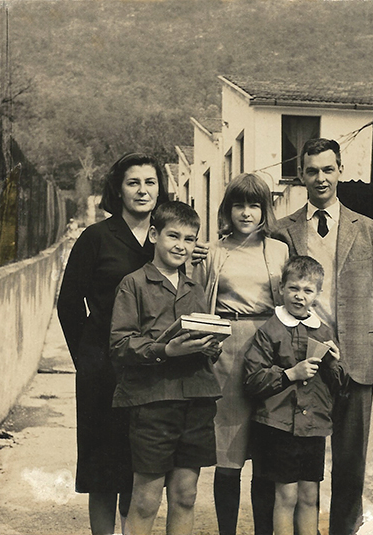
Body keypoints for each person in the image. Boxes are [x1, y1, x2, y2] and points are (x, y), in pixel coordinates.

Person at [273, 138, 373, 535]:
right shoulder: (282, 230)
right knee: (299, 463)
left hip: (360, 357)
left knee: (350, 463)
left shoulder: (371, 230)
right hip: (304, 359)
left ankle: (345, 529)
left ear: (340, 170)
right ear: (301, 175)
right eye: (312, 171)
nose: (321, 178)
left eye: (328, 169)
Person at [57, 152, 168, 535]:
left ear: (160, 188)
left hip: (153, 368)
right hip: (104, 370)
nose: (142, 190)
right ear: (118, 190)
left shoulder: (166, 237)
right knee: (103, 468)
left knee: (143, 467)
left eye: (150, 182)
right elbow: (69, 303)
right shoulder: (96, 238)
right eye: (133, 182)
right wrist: (86, 358)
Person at [109, 201, 222, 535]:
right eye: (173, 236)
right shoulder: (134, 284)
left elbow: (204, 345)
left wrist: (210, 347)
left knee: (185, 496)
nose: (181, 245)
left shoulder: (195, 289)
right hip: (152, 403)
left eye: (189, 239)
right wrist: (165, 350)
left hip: (197, 402)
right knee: (145, 501)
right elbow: (119, 344)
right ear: (155, 235)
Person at [194, 172, 289, 535]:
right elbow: (199, 303)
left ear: (265, 208)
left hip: (269, 349)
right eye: (239, 205)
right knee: (228, 452)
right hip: (227, 351)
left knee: (265, 448)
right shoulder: (213, 250)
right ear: (227, 209)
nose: (246, 213)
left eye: (254, 205)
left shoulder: (278, 249)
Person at [244, 256, 348, 535]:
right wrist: (291, 373)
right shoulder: (269, 331)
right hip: (279, 427)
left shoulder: (324, 330)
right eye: (293, 289)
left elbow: (339, 385)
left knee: (308, 496)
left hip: (313, 426)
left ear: (318, 294)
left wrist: (335, 363)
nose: (299, 297)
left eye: (307, 290)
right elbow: (253, 380)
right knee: (286, 496)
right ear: (281, 288)